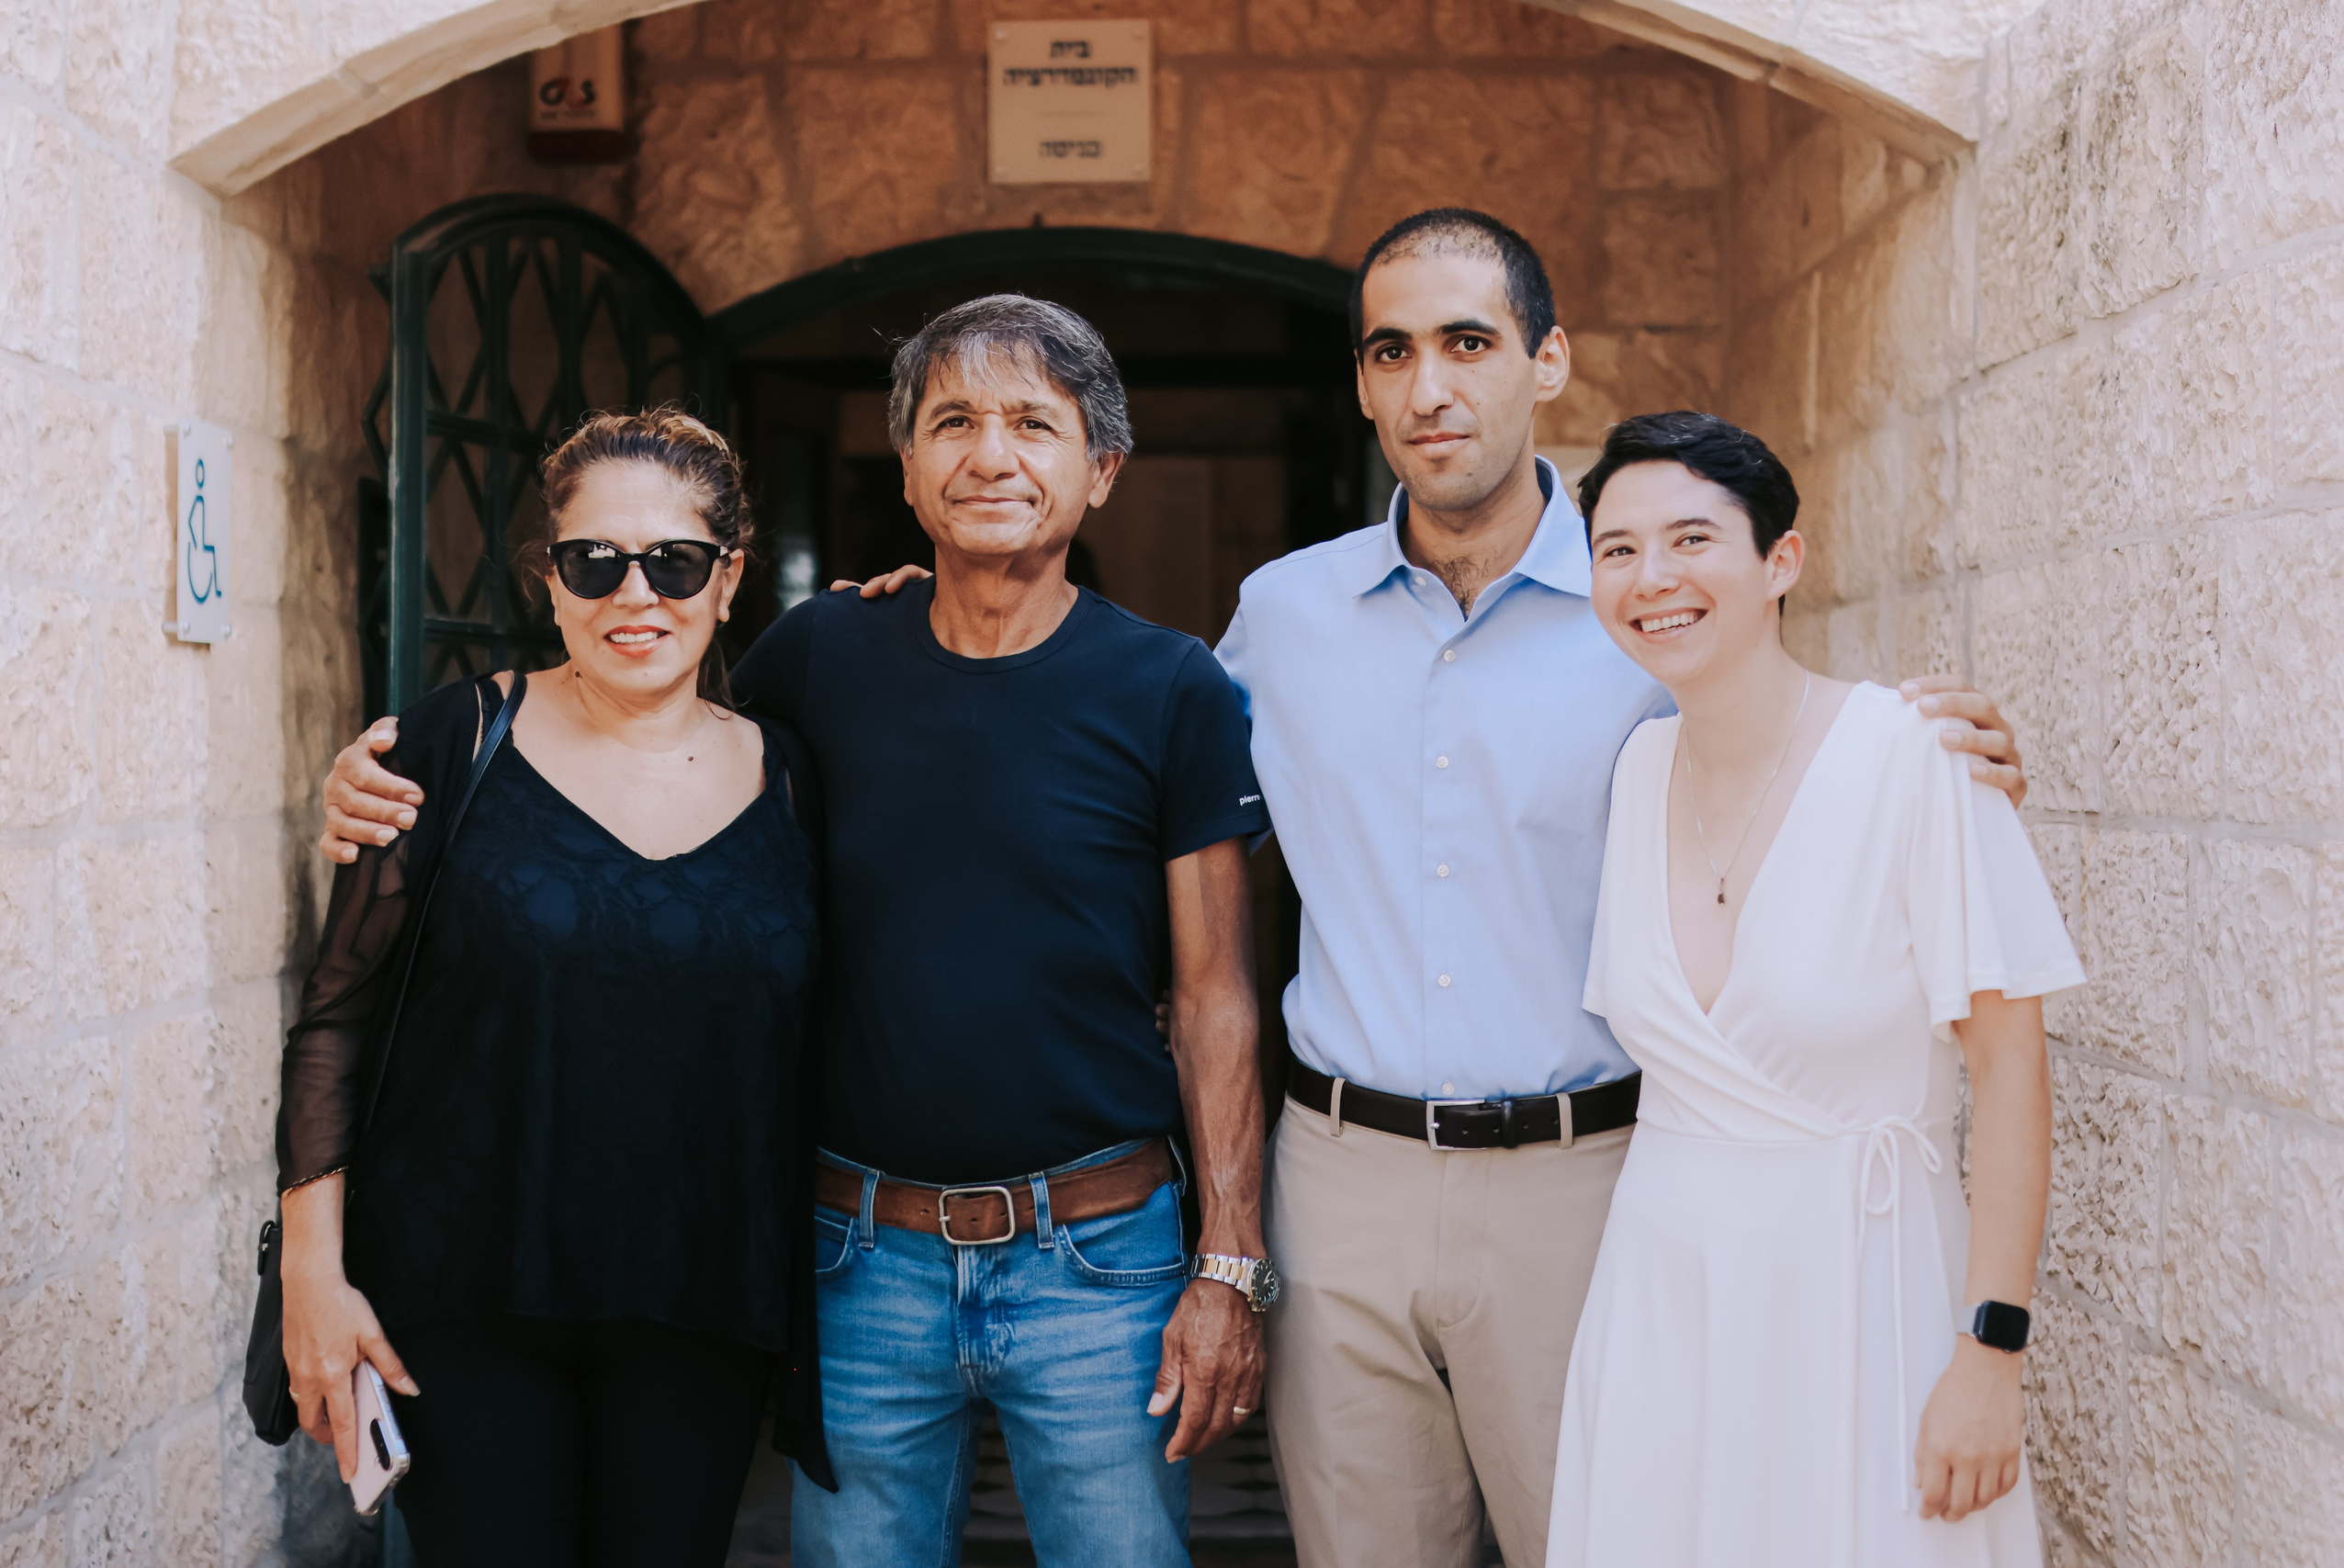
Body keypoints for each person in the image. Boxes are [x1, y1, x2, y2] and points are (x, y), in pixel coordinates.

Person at [317, 296, 1272, 1568]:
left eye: (1034, 424)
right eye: (955, 422)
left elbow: (1215, 994)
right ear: (911, 471)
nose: (992, 454)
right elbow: (643, 729)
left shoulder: (1176, 688)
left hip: (1098, 1255)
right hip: (855, 1253)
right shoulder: (820, 654)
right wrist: (392, 779)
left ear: (1099, 470)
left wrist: (1231, 1261)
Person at [1211, 209, 2036, 1568]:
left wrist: (1935, 734)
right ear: (1360, 383)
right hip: (1338, 1182)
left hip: (1591, 1184)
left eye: (1470, 343)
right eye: (1393, 351)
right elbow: (1131, 771)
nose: (1432, 387)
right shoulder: (1281, 615)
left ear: (1547, 361)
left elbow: (1797, 737)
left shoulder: (1646, 606)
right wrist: (940, 613)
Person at [276, 410, 822, 1566]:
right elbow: (336, 1021)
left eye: (674, 561)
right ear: (551, 579)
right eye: (595, 562)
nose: (637, 595)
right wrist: (311, 1277)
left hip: (702, 1305)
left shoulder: (792, 779)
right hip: (463, 1299)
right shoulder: (448, 745)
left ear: (728, 576)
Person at [1548, 410, 2078, 1566]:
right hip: (1663, 1301)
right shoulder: (1638, 772)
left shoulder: (1917, 757)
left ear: (1779, 560)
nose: (1653, 579)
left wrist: (1991, 1351)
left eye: (1693, 539)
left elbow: (2009, 1065)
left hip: (1862, 1292)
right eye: (1618, 550)